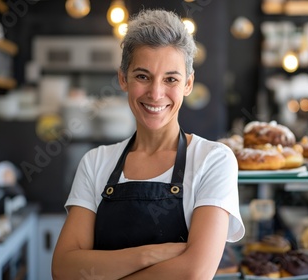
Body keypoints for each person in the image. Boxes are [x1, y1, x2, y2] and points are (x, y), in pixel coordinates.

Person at [52, 9, 245, 280]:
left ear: (188, 84)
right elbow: (63, 269)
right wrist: (149, 255)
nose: (156, 93)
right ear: (123, 79)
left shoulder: (213, 160)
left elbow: (194, 272)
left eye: (171, 79)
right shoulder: (96, 162)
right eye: (142, 76)